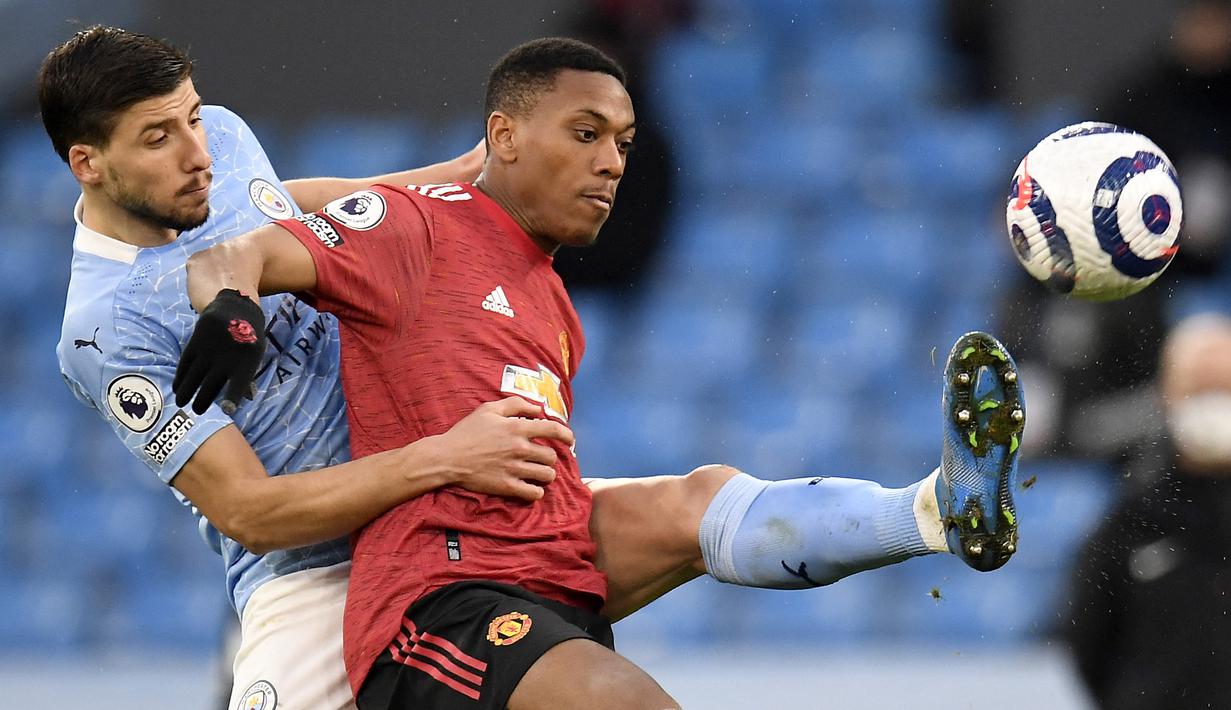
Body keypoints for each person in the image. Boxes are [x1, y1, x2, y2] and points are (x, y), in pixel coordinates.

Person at [176, 37, 1028, 709]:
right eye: (585, 135)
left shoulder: (547, 294)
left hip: (551, 582)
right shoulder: (418, 230)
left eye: (621, 141)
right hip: (437, 606)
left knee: (700, 497)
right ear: (503, 137)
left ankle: (928, 513)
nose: (613, 162)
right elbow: (236, 250)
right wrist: (233, 313)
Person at [41, 26, 571, 710]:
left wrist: (459, 177)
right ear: (88, 163)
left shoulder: (220, 143)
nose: (198, 153)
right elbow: (250, 512)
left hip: (442, 510)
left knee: (683, 509)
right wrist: (443, 456)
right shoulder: (103, 332)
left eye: (193, 116)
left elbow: (287, 200)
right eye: (157, 138)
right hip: (319, 576)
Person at [1062, 312, 1231, 709]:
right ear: (1167, 395)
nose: (1215, 405)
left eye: (1224, 388)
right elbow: (1089, 643)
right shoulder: (1131, 519)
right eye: (1200, 390)